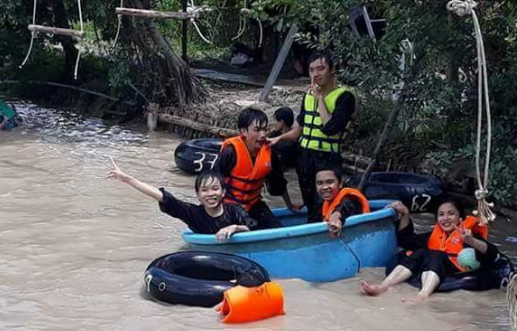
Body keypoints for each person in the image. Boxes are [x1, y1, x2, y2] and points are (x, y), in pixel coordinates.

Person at [269, 50, 356, 218]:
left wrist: (320, 98)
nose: (315, 74)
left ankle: (326, 226)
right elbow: (301, 129)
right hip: (305, 156)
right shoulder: (307, 97)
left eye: (321, 69)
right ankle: (296, 210)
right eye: (311, 70)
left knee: (323, 204)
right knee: (310, 202)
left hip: (327, 158)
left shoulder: (345, 97)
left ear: (332, 70)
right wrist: (277, 139)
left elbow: (331, 127)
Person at [362, 197, 499, 303]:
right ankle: (382, 287)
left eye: (451, 214)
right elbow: (407, 240)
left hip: (457, 271)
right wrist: (405, 214)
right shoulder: (433, 236)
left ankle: (422, 295)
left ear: (460, 218)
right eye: (441, 215)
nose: (445, 218)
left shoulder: (468, 235)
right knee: (421, 252)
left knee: (435, 255)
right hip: (433, 266)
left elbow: (492, 254)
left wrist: (471, 241)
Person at [106, 160, 257, 241]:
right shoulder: (193, 213)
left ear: (223, 192)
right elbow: (163, 197)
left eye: (215, 189)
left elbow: (252, 228)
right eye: (204, 190)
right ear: (198, 195)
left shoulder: (234, 210)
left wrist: (234, 228)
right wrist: (128, 179)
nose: (210, 194)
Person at [216, 108, 301, 230]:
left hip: (254, 205)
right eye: (257, 130)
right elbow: (212, 182)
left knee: (276, 230)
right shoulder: (230, 152)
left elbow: (278, 182)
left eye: (265, 129)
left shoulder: (269, 152)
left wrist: (290, 205)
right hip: (229, 207)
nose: (262, 135)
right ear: (243, 131)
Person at [307, 164, 369, 238]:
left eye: (330, 182)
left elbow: (345, 206)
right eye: (320, 183)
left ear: (340, 184)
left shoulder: (350, 198)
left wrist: (336, 216)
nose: (325, 187)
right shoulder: (322, 203)